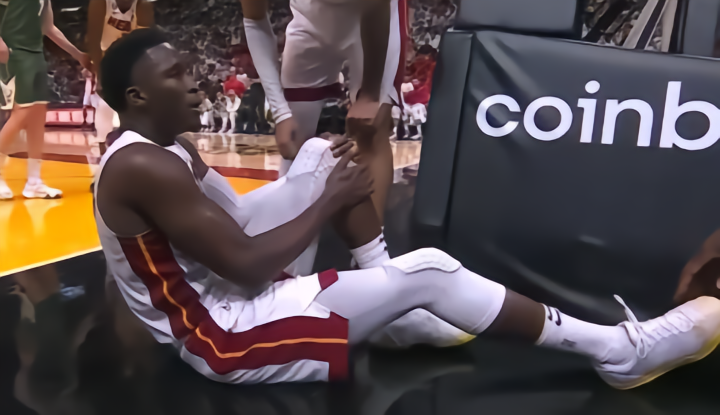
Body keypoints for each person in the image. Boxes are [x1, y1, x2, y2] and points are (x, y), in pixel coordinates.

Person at [94, 29, 720, 387]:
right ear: (136, 97)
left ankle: (393, 305)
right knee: (430, 270)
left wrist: (322, 180)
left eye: (189, 69)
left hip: (237, 298)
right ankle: (618, 351)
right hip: (223, 339)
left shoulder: (167, 146)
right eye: (176, 76)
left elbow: (234, 220)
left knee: (320, 154)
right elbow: (245, 263)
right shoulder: (142, 166)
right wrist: (326, 202)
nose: (195, 81)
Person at [241, 0, 404, 225]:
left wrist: (370, 94)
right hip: (309, 20)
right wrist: (281, 114)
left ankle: (373, 244)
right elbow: (254, 20)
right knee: (295, 139)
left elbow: (377, 7)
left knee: (371, 130)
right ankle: (293, 236)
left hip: (375, 14)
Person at [0, 0, 92, 201]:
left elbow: (49, 28)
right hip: (14, 55)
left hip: (36, 55)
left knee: (38, 116)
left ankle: (34, 181)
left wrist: (78, 54)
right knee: (22, 113)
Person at [86, 0, 155, 154]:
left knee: (136, 101)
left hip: (130, 56)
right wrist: (99, 75)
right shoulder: (100, 3)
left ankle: (137, 142)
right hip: (105, 56)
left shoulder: (143, 5)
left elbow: (144, 41)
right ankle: (102, 145)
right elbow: (94, 41)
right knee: (105, 103)